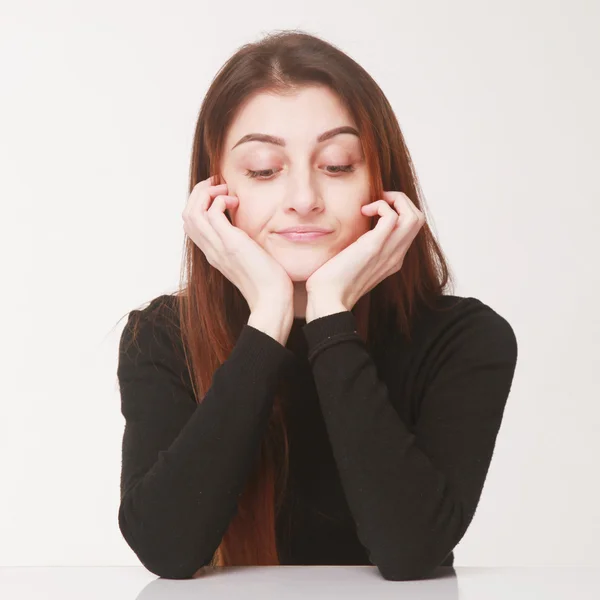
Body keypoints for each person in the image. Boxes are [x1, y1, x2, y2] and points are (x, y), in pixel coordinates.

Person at [116, 29, 518, 581]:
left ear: (382, 184)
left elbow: (411, 552)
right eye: (263, 169)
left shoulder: (466, 340)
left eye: (337, 164)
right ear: (212, 193)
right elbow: (166, 548)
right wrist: (270, 317)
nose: (304, 199)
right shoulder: (161, 336)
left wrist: (329, 314)